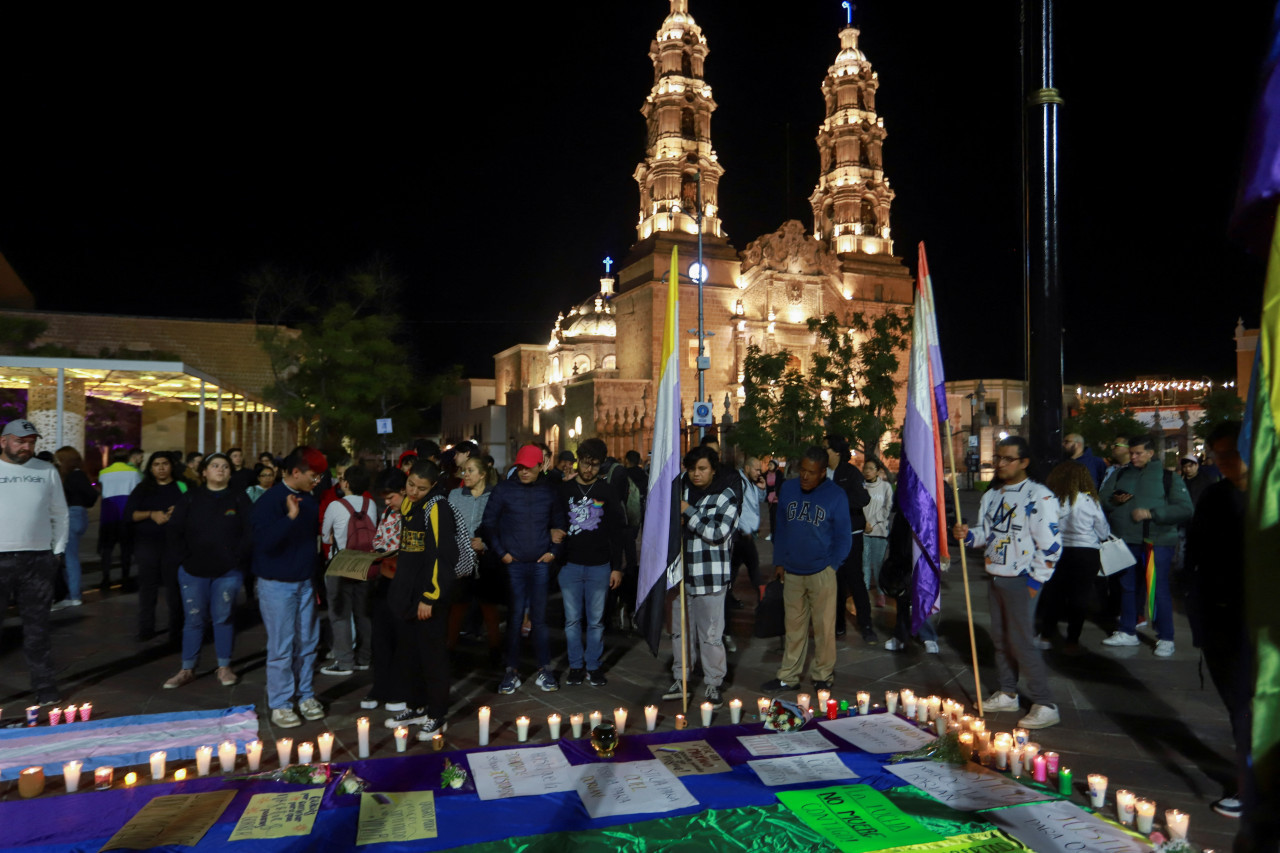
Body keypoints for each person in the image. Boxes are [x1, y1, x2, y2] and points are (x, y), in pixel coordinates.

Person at [952, 436, 1062, 729]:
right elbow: (988, 533)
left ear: (1024, 462)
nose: (1000, 464)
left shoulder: (1040, 496)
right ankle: (1007, 691)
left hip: (1022, 579)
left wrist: (1034, 582)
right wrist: (968, 534)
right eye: (998, 458)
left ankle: (1044, 702)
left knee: (1022, 642)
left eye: (1007, 459)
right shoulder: (992, 495)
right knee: (1001, 640)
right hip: (996, 575)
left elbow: (1051, 545)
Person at [1185, 421, 1249, 819]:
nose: (1223, 462)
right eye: (1217, 455)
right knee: (1239, 706)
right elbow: (1197, 557)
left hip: (1261, 621)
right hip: (1220, 619)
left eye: (1231, 454)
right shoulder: (1214, 496)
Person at [385, 458, 467, 738]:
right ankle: (416, 706)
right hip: (406, 594)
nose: (413, 491)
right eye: (410, 484)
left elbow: (441, 557)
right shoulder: (409, 504)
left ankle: (436, 714)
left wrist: (430, 597)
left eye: (421, 487)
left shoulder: (438, 507)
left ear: (433, 486)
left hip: (428, 596)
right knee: (410, 654)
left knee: (432, 657)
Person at [761, 446, 850, 692]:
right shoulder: (788, 489)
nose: (805, 477)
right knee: (793, 628)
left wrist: (832, 566)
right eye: (802, 471)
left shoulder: (836, 495)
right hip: (791, 571)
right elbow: (781, 527)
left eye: (811, 472)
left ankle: (822, 675)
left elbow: (844, 537)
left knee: (824, 628)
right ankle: (788, 676)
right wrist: (779, 561)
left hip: (822, 572)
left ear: (823, 472)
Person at [251, 446, 329, 728]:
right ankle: (281, 703)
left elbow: (310, 542)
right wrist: (290, 518)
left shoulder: (309, 499)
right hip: (276, 585)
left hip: (304, 582)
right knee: (282, 646)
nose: (317, 480)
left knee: (308, 642)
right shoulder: (269, 501)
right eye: (313, 474)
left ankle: (305, 694)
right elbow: (263, 544)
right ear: (296, 472)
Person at [161, 453, 252, 689]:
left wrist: (237, 558)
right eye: (215, 466)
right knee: (193, 619)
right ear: (204, 472)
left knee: (223, 617)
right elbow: (174, 530)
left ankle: (224, 666)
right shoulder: (191, 497)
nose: (220, 470)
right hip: (193, 569)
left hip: (228, 571)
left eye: (225, 466)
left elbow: (250, 532)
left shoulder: (239, 498)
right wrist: (184, 558)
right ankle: (187, 668)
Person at [1098, 434, 1193, 655]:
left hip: (1156, 541)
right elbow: (1102, 499)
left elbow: (1185, 508)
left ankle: (1166, 637)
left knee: (1157, 590)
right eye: (1131, 453)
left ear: (1151, 453)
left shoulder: (1168, 477)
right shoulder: (1121, 474)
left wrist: (1152, 513)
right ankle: (1127, 631)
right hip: (1125, 540)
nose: (1134, 457)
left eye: (1139, 453)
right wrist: (1113, 500)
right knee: (1127, 587)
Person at [482, 444, 565, 695]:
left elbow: (561, 524)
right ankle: (511, 670)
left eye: (529, 467)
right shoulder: (504, 490)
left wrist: (553, 552)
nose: (524, 471)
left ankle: (544, 669)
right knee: (516, 618)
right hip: (515, 564)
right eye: (520, 466)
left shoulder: (549, 492)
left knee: (539, 619)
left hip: (539, 563)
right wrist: (502, 554)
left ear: (541, 466)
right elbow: (488, 523)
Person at [663, 445, 739, 707]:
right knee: (679, 632)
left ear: (713, 470)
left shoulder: (724, 496)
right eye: (692, 469)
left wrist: (688, 512)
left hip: (710, 576)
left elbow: (717, 532)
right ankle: (681, 676)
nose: (696, 474)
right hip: (680, 574)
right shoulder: (680, 491)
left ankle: (712, 682)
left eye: (702, 469)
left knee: (710, 634)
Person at [0, 419, 69, 706]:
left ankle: (45, 688)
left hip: (38, 560)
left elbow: (60, 513)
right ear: (3, 441)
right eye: (20, 441)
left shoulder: (46, 471)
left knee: (38, 629)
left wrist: (58, 550)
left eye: (31, 442)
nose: (26, 447)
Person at [557, 438, 624, 687]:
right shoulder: (565, 490)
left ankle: (593, 665)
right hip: (570, 564)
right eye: (586, 464)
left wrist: (617, 566)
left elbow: (617, 531)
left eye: (595, 466)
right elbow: (556, 521)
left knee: (596, 620)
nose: (589, 470)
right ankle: (576, 665)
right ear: (578, 460)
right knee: (572, 619)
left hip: (599, 564)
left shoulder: (607, 491)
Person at [1040, 460, 1110, 653]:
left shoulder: (1051, 501)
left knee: (1053, 594)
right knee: (1080, 597)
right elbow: (1103, 532)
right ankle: (1072, 641)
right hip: (1086, 553)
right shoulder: (1089, 502)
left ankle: (1045, 635)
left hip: (1057, 550)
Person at [320, 465, 377, 677]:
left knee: (339, 614)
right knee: (363, 613)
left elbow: (326, 536)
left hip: (341, 562)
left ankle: (344, 661)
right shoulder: (369, 504)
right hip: (364, 563)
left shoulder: (335, 505)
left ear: (346, 483)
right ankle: (364, 658)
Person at [447, 455, 503, 667]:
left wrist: (485, 544)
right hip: (461, 559)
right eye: (464, 471)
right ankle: (449, 647)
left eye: (470, 470)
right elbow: (449, 524)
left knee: (488, 606)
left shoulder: (494, 496)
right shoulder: (455, 494)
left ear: (482, 474)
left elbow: (500, 527)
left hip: (485, 560)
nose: (465, 475)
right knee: (458, 605)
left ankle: (495, 648)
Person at [126, 451, 187, 643]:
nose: (161, 468)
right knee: (148, 587)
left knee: (174, 588)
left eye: (165, 463)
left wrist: (179, 510)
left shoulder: (183, 487)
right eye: (156, 464)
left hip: (174, 545)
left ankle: (177, 630)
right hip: (147, 545)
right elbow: (130, 515)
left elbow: (195, 511)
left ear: (172, 466)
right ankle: (146, 628)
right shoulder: (143, 489)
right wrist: (151, 514)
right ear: (150, 468)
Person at [361, 467, 409, 713]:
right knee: (380, 637)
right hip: (385, 580)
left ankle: (400, 690)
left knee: (401, 639)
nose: (388, 503)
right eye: (384, 499)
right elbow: (380, 540)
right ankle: (380, 686)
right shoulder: (389, 513)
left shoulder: (414, 513)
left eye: (391, 497)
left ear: (404, 490)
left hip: (405, 583)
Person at [826, 434, 873, 643]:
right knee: (834, 583)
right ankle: (838, 624)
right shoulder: (820, 473)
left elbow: (863, 498)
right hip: (829, 539)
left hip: (851, 536)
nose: (823, 452)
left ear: (836, 452)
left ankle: (867, 625)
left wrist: (839, 501)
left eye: (826, 448)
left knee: (856, 580)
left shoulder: (850, 472)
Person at [724, 456, 766, 648]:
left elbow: (756, 503)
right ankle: (761, 602)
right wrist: (743, 529)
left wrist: (762, 489)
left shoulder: (751, 482)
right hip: (741, 535)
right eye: (757, 469)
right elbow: (738, 508)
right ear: (747, 467)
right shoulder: (739, 482)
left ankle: (728, 597)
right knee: (753, 569)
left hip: (747, 534)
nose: (760, 472)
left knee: (737, 570)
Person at [51, 446, 97, 610]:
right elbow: (91, 495)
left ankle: (73, 595)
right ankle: (72, 594)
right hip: (79, 514)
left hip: (72, 515)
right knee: (69, 556)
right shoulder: (79, 474)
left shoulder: (74, 475)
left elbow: (91, 494)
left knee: (69, 558)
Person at [98, 447, 141, 590]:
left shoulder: (103, 473)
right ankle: (125, 578)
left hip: (108, 514)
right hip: (126, 514)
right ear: (127, 458)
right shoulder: (134, 473)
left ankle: (105, 579)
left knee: (107, 549)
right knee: (126, 549)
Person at [861, 458, 893, 610]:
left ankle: (881, 593)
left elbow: (887, 508)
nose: (867, 471)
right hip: (863, 532)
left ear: (878, 470)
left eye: (870, 468)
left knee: (878, 564)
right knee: (864, 564)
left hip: (879, 532)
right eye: (865, 468)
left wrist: (872, 522)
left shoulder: (886, 487)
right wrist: (863, 524)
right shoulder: (860, 486)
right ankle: (864, 593)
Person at [764, 458, 781, 540]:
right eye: (769, 465)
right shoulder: (766, 474)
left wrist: (778, 494)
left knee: (777, 516)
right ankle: (772, 533)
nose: (769, 466)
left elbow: (781, 485)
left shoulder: (779, 474)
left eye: (771, 465)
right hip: (770, 497)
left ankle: (777, 534)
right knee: (771, 517)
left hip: (777, 498)